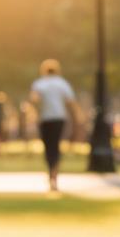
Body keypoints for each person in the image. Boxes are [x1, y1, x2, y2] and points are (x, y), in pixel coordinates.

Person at [30, 58, 79, 192]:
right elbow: (71, 101)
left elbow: (34, 100)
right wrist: (78, 116)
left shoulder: (40, 84)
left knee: (48, 146)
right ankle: (54, 173)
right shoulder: (62, 83)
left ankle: (51, 171)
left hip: (45, 118)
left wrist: (34, 111)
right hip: (59, 118)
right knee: (56, 145)